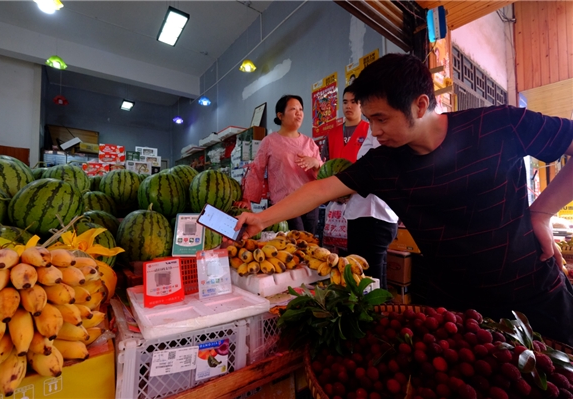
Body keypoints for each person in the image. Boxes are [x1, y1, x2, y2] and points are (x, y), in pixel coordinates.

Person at [235, 53, 573, 345]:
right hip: (457, 309)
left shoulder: (498, 125)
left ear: (420, 104)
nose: (375, 131)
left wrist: (541, 212)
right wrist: (262, 219)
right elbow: (322, 188)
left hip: (532, 295)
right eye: (370, 120)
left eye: (382, 119)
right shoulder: (386, 162)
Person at [322, 86, 399, 289]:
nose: (350, 106)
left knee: (366, 278)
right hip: (360, 214)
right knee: (366, 274)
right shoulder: (359, 133)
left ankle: (372, 315)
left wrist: (342, 189)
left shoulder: (380, 133)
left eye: (355, 102)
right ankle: (373, 313)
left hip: (373, 216)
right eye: (345, 102)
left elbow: (372, 176)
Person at [238, 94, 323, 234]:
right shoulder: (269, 141)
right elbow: (256, 171)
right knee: (293, 245)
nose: (299, 113)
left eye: (301, 109)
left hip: (310, 203)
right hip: (284, 204)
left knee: (311, 245)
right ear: (280, 115)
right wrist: (246, 199)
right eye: (293, 109)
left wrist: (316, 163)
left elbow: (322, 175)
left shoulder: (310, 143)